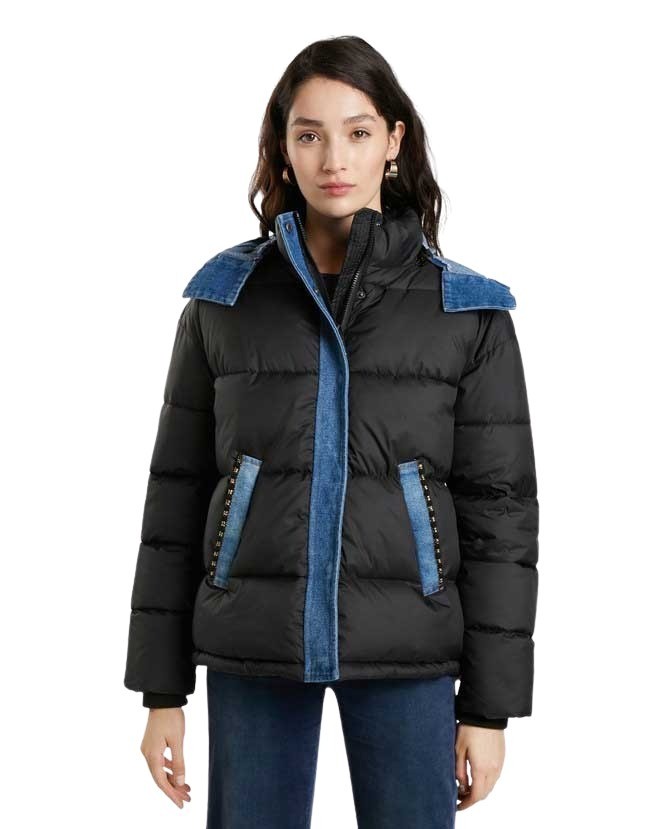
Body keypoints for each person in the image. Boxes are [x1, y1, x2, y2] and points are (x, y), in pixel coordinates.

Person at [124, 35, 539, 829]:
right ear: (282, 147)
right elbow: (173, 500)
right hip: (253, 640)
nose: (333, 158)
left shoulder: (466, 313)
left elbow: (502, 517)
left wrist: (488, 709)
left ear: (393, 140)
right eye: (309, 134)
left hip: (409, 644)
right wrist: (161, 691)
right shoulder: (224, 300)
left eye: (356, 131)